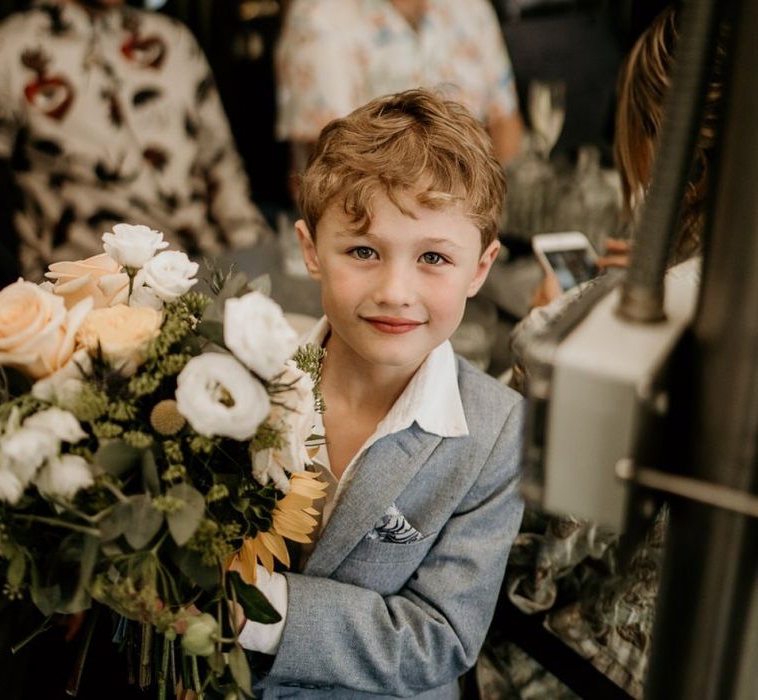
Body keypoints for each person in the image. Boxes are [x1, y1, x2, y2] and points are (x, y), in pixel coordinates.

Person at [225, 89, 524, 698]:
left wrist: (259, 610)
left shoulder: (496, 434)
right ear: (311, 251)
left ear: (480, 269)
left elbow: (440, 636)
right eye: (363, 251)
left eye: (434, 257)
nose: (394, 290)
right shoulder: (246, 374)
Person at [479, 5, 722, 699]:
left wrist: (543, 339)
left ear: (669, 149)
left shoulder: (609, 329)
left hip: (576, 665)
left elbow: (520, 529)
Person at [0, 0, 270, 278]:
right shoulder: (6, 52)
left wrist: (255, 254)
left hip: (207, 269)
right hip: (95, 287)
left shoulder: (172, 38)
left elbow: (219, 160)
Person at [275, 0, 524, 181]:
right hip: (370, 220)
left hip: (473, 211)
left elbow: (505, 122)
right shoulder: (318, 15)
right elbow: (333, 160)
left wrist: (486, 207)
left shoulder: (471, 8)